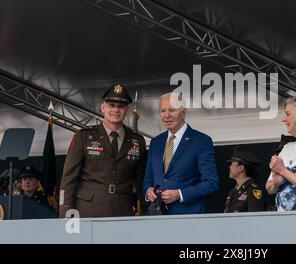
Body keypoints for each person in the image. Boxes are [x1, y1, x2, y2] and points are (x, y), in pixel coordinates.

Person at [59, 84, 147, 218]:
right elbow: (68, 180)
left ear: (127, 110)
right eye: (111, 105)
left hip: (122, 210)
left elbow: (141, 182)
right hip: (87, 211)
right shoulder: (83, 136)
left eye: (121, 106)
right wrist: (65, 214)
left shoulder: (137, 141)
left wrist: (147, 211)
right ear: (103, 107)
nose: (116, 110)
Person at [143, 92, 219, 215]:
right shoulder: (155, 142)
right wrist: (148, 191)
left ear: (183, 113)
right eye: (163, 111)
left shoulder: (201, 141)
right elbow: (148, 179)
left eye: (172, 110)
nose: (166, 115)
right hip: (157, 217)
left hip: (188, 217)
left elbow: (211, 183)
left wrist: (179, 194)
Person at [224, 148, 266, 213]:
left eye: (232, 164)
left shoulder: (253, 191)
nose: (229, 167)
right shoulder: (232, 192)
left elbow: (256, 219)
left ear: (241, 168)